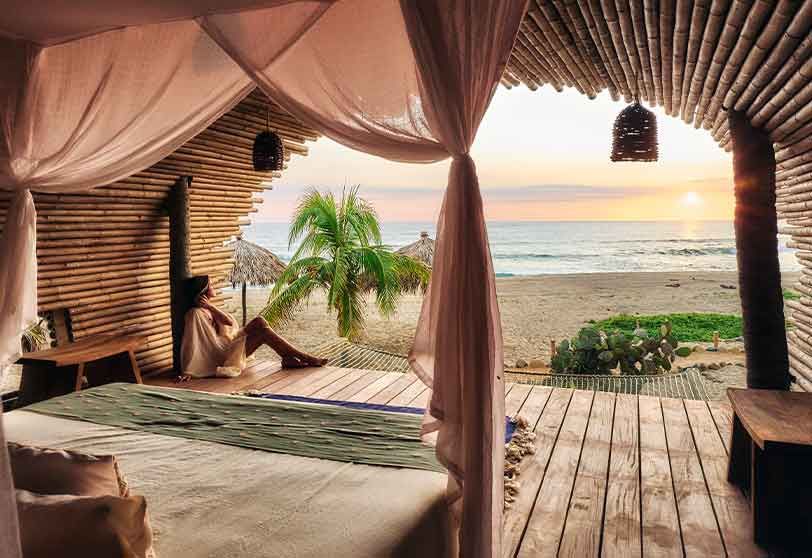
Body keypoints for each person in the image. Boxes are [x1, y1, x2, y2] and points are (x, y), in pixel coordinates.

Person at [179, 275, 326, 379]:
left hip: (229, 343)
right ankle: (303, 357)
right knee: (264, 333)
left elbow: (228, 323)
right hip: (224, 354)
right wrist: (187, 371)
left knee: (259, 321)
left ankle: (290, 357)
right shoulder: (195, 314)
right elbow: (192, 343)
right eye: (210, 285)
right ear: (203, 292)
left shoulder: (208, 308)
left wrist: (210, 306)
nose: (213, 286)